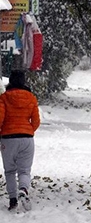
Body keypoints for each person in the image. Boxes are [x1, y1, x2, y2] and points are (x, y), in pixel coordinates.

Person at [0, 70, 40, 211]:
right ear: (23, 81)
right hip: (27, 139)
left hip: (8, 139)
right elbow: (35, 121)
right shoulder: (31, 98)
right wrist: (27, 131)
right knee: (24, 171)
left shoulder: (4, 98)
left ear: (10, 81)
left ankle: (12, 200)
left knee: (10, 171)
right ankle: (23, 189)